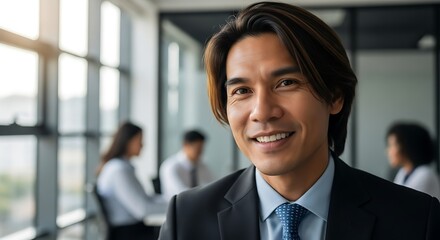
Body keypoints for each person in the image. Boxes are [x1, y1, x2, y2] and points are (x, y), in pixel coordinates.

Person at [158, 2, 440, 240]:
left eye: (286, 82)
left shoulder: (415, 220)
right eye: (242, 91)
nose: (262, 111)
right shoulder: (187, 220)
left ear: (334, 97)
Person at [96, 122, 167, 240]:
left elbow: (146, 199)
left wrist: (172, 201)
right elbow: (143, 209)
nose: (142, 145)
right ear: (127, 141)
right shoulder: (118, 171)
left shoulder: (118, 167)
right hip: (129, 233)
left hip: (131, 230)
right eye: (139, 140)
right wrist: (175, 206)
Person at [386, 122, 440, 199]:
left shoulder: (425, 174)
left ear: (407, 146)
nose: (389, 151)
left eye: (392, 145)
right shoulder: (403, 172)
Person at [159, 129, 213, 200]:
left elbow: (213, 184)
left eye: (201, 148)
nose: (200, 152)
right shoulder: (171, 166)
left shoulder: (202, 166)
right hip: (177, 207)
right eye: (197, 148)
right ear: (186, 145)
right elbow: (181, 194)